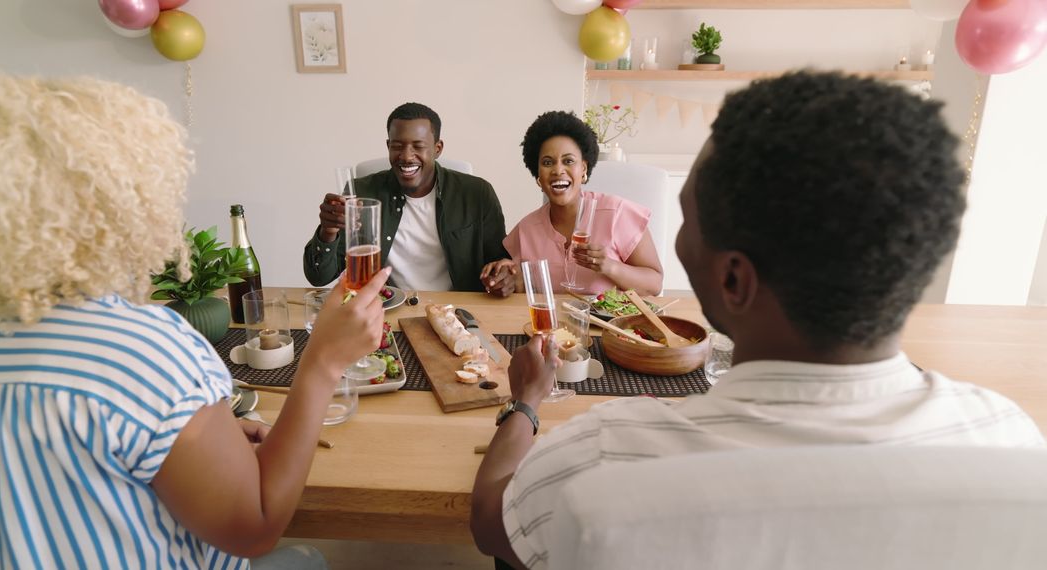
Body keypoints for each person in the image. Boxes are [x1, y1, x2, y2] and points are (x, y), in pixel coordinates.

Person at [469, 71, 1046, 569]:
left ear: (733, 280)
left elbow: (493, 522)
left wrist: (525, 404)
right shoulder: (1011, 438)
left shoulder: (608, 454)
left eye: (689, 221)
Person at [0, 71, 390, 569]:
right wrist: (321, 362)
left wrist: (199, 441)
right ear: (125, 202)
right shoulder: (144, 350)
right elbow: (254, 528)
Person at [303, 102, 509, 292]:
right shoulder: (361, 194)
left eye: (418, 146)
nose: (406, 156)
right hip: (386, 309)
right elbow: (319, 277)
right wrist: (328, 232)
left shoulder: (477, 194)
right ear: (388, 146)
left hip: (458, 311)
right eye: (397, 146)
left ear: (437, 149)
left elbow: (499, 263)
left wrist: (504, 276)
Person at [480, 110, 663, 297]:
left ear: (583, 169)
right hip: (551, 317)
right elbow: (519, 284)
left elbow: (655, 284)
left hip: (609, 316)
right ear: (538, 176)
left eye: (568, 161)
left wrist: (609, 266)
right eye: (547, 163)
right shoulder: (526, 229)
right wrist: (504, 278)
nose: (558, 170)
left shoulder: (617, 213)